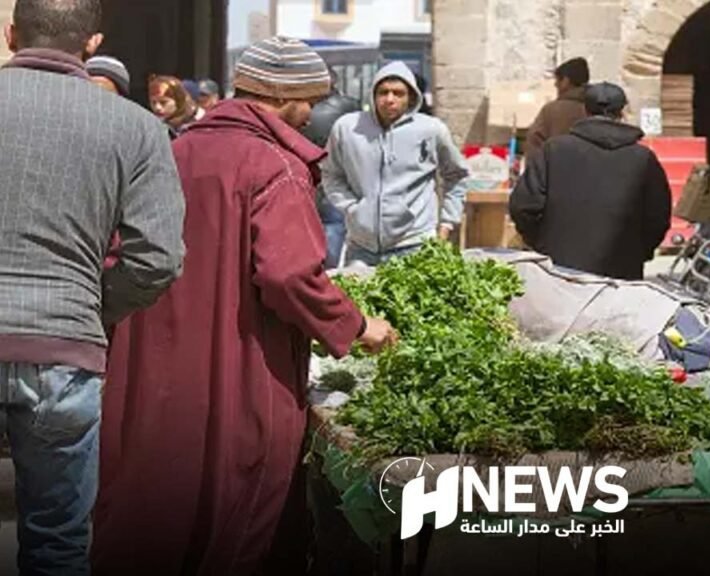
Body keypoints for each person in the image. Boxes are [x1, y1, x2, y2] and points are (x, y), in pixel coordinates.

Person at [91, 37, 397, 576]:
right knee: (237, 512)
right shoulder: (275, 165)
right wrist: (354, 326)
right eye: (309, 99)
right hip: (240, 366)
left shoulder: (171, 151)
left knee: (151, 503)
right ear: (281, 95)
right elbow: (288, 273)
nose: (312, 113)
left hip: (151, 366)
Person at [0, 0, 186, 573]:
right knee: (57, 543)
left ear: (11, 33)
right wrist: (92, 306)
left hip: (63, 338)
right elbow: (158, 258)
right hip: (64, 352)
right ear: (92, 43)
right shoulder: (137, 127)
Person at [509, 82, 671, 280]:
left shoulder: (554, 150)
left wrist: (542, 243)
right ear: (622, 112)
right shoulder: (643, 159)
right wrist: (636, 252)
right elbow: (658, 217)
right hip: (621, 278)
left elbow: (523, 207)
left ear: (584, 111)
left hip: (559, 274)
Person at [322, 61, 469, 267]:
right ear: (373, 95)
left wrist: (447, 224)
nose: (389, 99)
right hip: (361, 246)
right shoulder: (347, 128)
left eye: (398, 93)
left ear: (411, 98)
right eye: (383, 92)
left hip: (415, 243)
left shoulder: (431, 130)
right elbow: (330, 173)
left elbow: (457, 175)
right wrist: (351, 207)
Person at [302, 90, 362, 268]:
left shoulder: (302, 108)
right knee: (333, 224)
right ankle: (328, 269)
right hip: (336, 175)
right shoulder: (348, 106)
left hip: (307, 173)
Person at [525, 57, 589, 157]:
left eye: (557, 80)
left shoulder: (551, 110)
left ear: (566, 81)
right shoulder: (596, 108)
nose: (555, 84)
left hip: (555, 165)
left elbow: (534, 142)